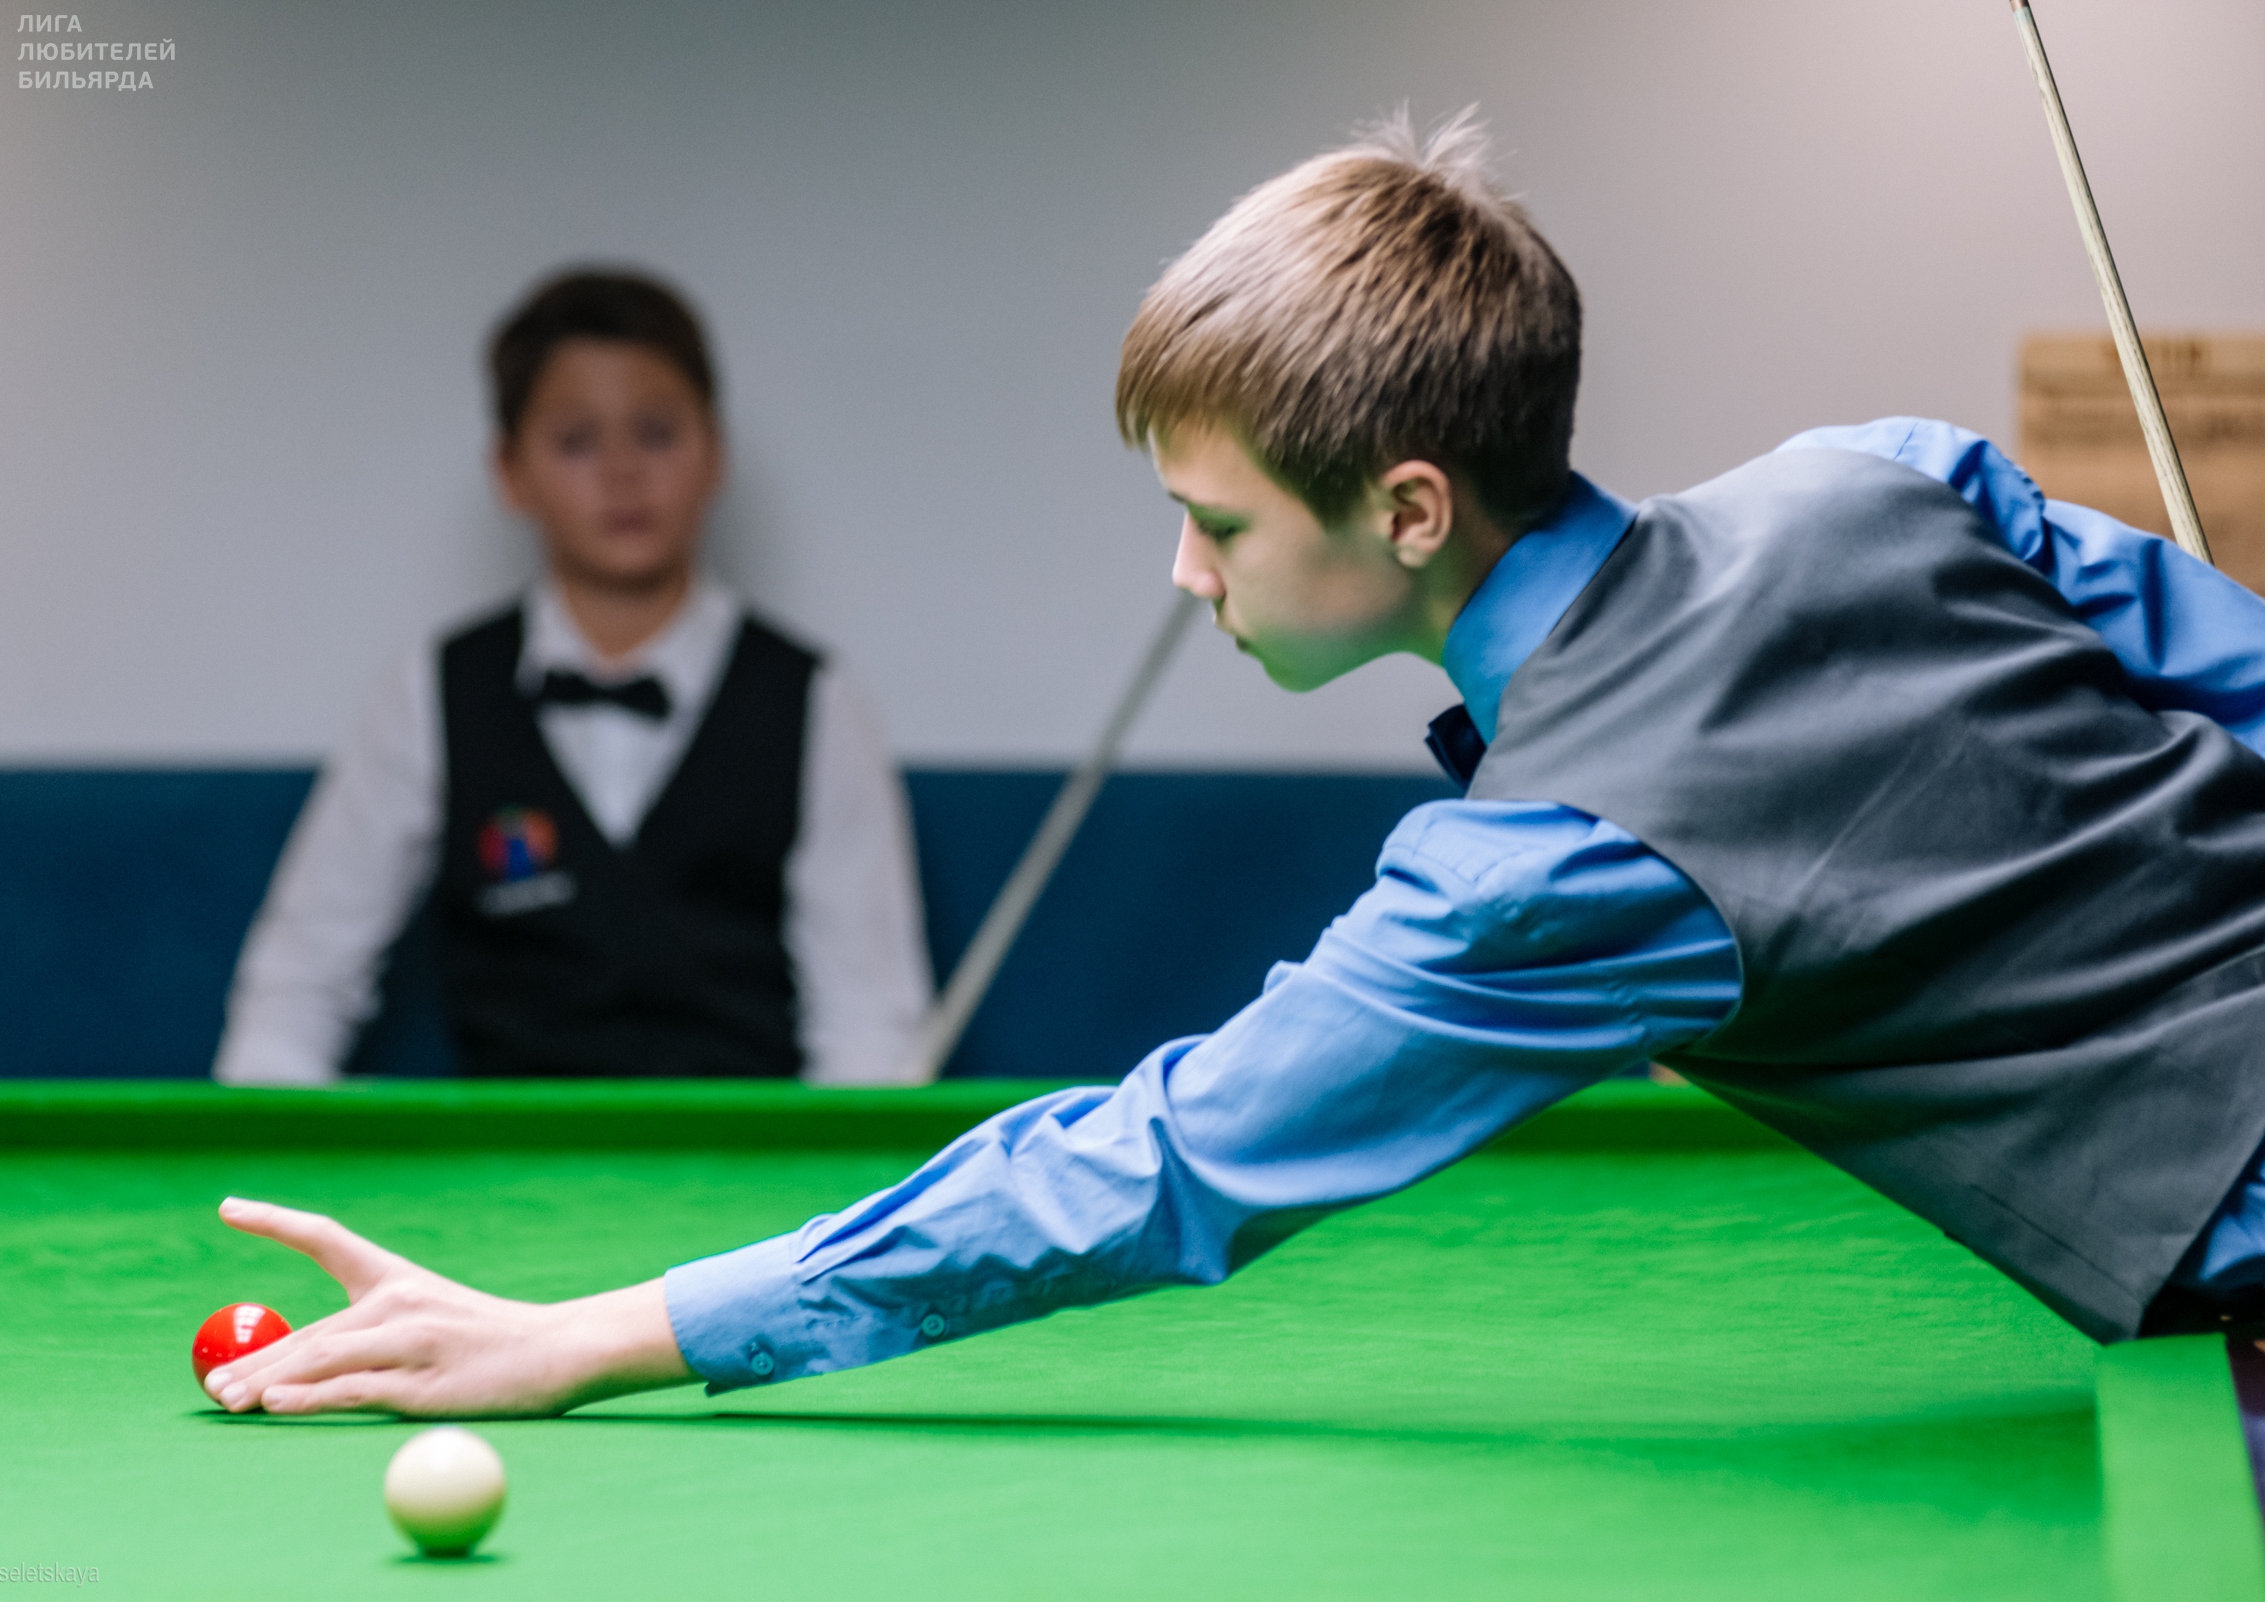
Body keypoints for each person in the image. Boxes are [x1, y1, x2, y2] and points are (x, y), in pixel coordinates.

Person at [202, 115, 2265, 1419]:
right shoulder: (1883, 471)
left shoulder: (1554, 865)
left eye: (1217, 520)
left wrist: (591, 1332)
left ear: (1411, 506)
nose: (1187, 575)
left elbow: (1155, 1164)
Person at [212, 269, 933, 1087]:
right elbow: (300, 987)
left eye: (656, 433)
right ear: (510, 471)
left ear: (715, 454)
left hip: (744, 1161)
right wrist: (257, 1147)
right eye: (576, 441)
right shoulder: (428, 692)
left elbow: (868, 1025)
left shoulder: (818, 701)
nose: (622, 471)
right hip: (502, 1161)